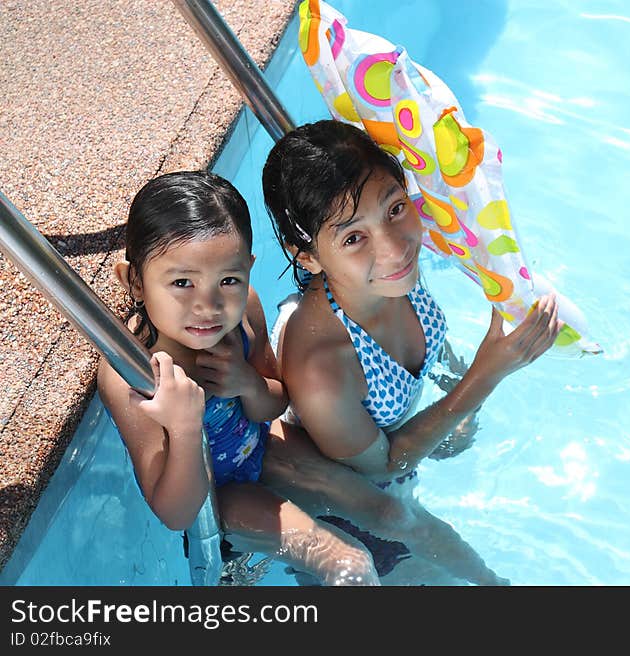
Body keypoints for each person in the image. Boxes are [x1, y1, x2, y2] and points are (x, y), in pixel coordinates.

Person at [261, 120, 563, 585]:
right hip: (351, 523)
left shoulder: (392, 275)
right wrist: (485, 375)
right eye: (353, 238)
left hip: (394, 479)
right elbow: (383, 464)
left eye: (395, 208)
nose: (395, 247)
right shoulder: (322, 362)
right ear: (306, 256)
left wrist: (454, 385)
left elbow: (434, 345)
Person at [96, 170, 380, 586]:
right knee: (347, 565)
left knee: (387, 509)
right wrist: (184, 425)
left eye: (227, 280)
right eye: (181, 283)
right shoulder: (133, 374)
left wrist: (247, 383)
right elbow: (176, 513)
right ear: (133, 280)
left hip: (262, 444)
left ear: (248, 269)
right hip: (221, 496)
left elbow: (275, 402)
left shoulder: (243, 309)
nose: (208, 306)